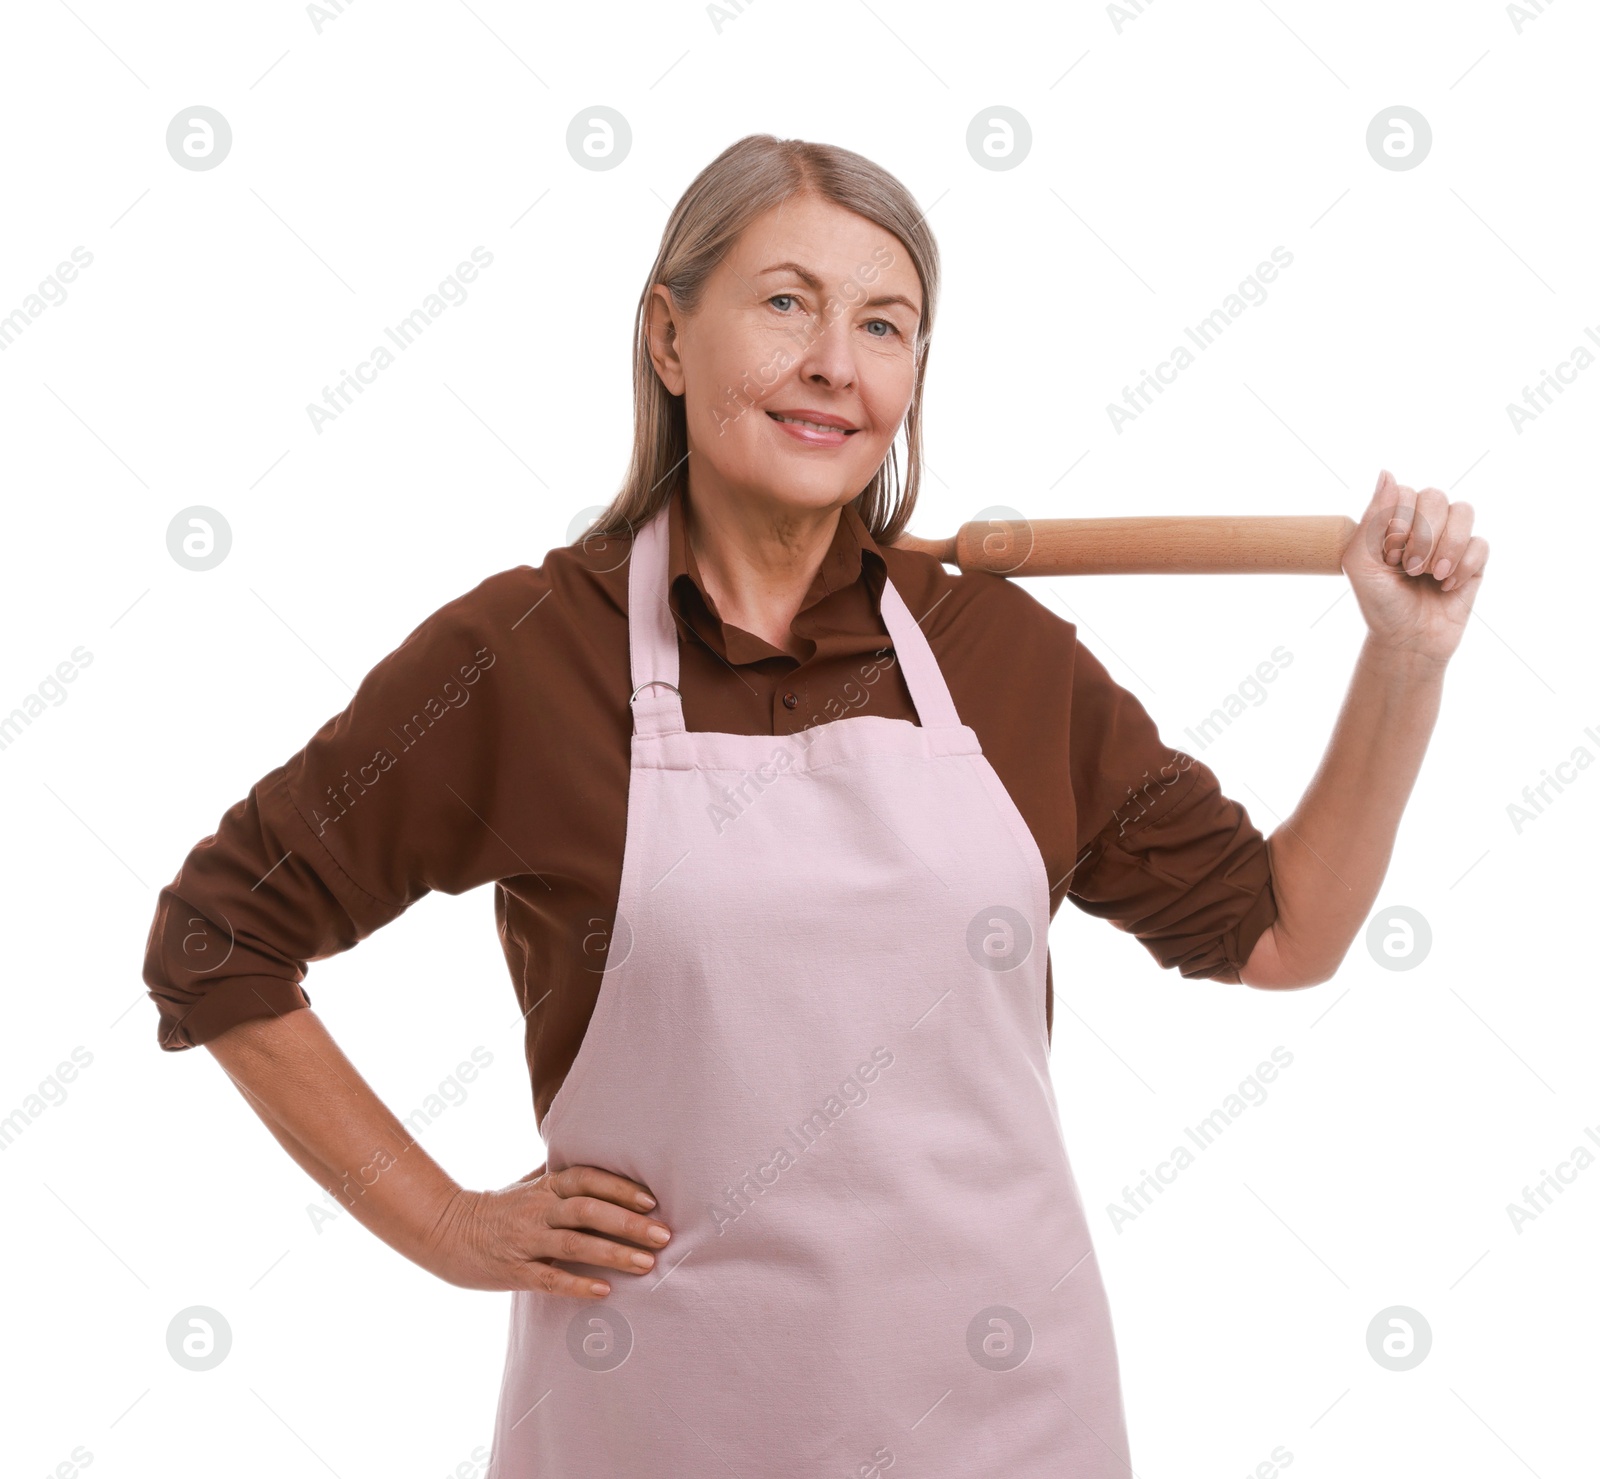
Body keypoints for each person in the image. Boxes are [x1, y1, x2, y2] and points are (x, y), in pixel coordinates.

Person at [142, 134, 1488, 1476]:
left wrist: (1408, 663)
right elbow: (218, 936)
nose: (838, 363)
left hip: (1010, 1423)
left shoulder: (998, 656)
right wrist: (440, 1225)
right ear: (668, 337)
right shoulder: (525, 659)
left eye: (885, 323)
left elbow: (1281, 934)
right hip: (659, 1421)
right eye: (787, 302)